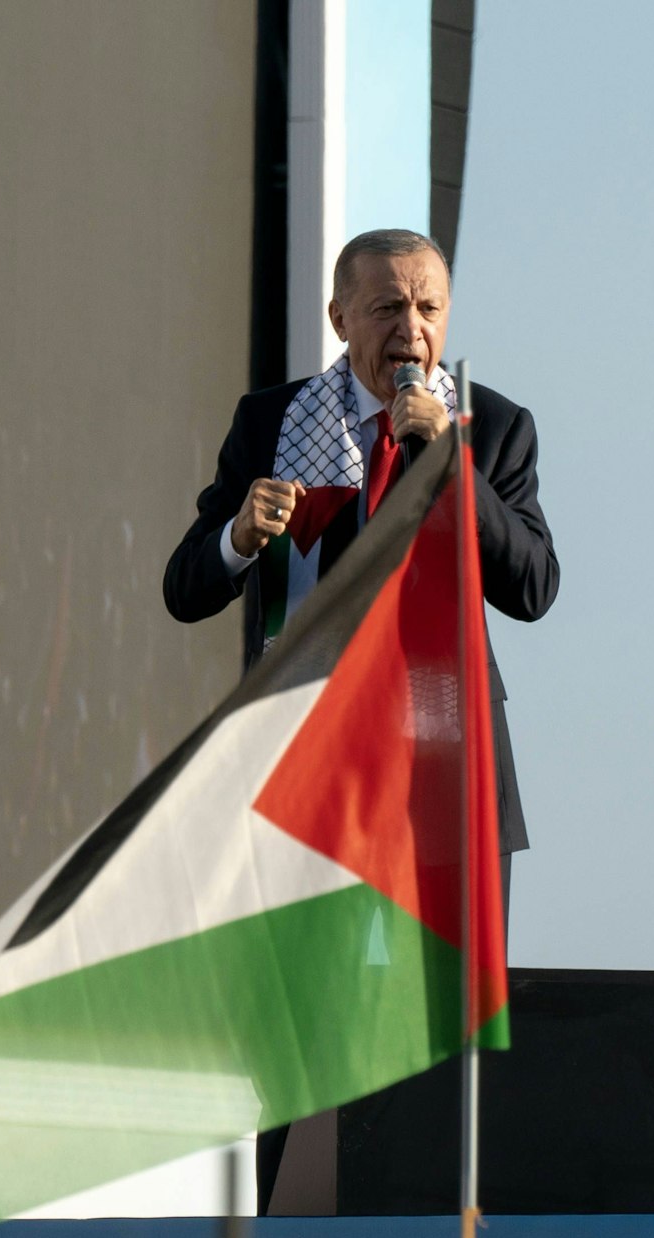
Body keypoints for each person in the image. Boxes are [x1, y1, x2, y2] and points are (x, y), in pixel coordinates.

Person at [164, 227, 558, 902]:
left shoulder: (492, 426)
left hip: (444, 764)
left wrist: (452, 464)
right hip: (303, 758)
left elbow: (533, 588)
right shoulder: (272, 422)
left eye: (428, 309)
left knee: (444, 971)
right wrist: (239, 537)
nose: (411, 329)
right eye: (387, 309)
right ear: (340, 318)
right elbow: (185, 589)